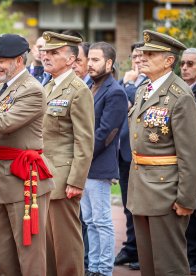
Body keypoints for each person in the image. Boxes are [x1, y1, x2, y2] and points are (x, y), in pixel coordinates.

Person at [0, 33, 55, 275]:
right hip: (2, 177)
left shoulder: (32, 90)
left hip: (23, 177)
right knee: (5, 252)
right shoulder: (2, 88)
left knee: (29, 252)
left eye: (1, 60)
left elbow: (2, 122)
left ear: (18, 60)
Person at [127, 30, 196, 276]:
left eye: (151, 54)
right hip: (142, 188)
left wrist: (186, 199)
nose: (142, 57)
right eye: (143, 52)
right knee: (148, 265)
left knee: (169, 266)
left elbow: (190, 154)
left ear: (169, 60)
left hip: (166, 192)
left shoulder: (180, 96)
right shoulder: (144, 90)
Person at [40, 31, 94, 276]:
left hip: (64, 178)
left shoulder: (78, 90)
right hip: (44, 174)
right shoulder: (48, 86)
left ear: (71, 59)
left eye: (54, 53)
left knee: (67, 244)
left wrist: (76, 180)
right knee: (48, 243)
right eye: (46, 52)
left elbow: (84, 140)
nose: (46, 56)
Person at [81, 41, 128, 276]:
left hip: (98, 166)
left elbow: (106, 133)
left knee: (102, 221)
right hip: (85, 166)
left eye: (95, 60)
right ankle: (93, 266)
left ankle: (104, 270)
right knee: (89, 221)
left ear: (109, 63)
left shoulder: (115, 91)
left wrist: (82, 155)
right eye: (89, 59)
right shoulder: (91, 86)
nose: (90, 64)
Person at [114, 42, 145, 271]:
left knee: (142, 206)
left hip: (144, 155)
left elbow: (138, 102)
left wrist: (128, 83)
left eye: (142, 56)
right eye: (135, 56)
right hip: (124, 152)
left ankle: (143, 251)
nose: (138, 60)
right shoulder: (126, 82)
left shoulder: (147, 84)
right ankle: (131, 246)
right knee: (127, 204)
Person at [180, 48, 196, 274]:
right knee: (188, 211)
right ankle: (193, 255)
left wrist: (181, 142)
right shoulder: (181, 91)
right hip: (186, 165)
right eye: (182, 64)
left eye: (190, 64)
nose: (185, 68)